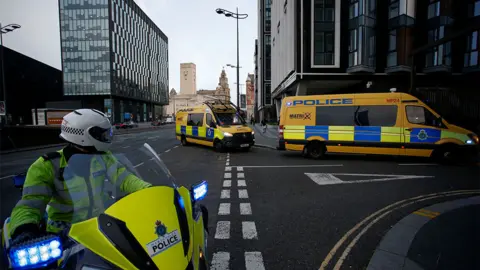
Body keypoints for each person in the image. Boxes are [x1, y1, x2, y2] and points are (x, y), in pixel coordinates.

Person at [8, 109, 152, 245]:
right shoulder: (47, 165)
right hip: (65, 234)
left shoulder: (103, 157)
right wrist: (24, 229)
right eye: (103, 134)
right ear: (85, 135)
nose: (107, 137)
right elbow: (30, 204)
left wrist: (151, 190)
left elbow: (125, 178)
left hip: (101, 226)